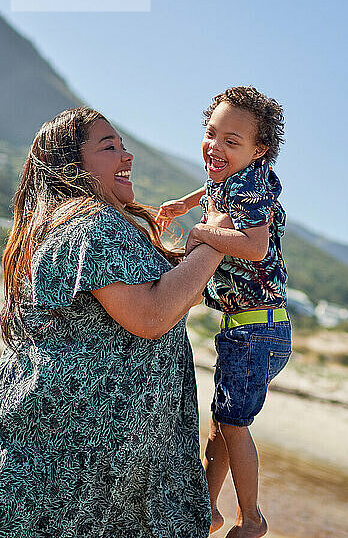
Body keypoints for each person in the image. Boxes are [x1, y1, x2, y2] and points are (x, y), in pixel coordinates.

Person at [0, 106, 227, 538]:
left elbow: (171, 301)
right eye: (110, 147)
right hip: (78, 473)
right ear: (72, 164)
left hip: (73, 467)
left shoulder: (74, 225)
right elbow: (151, 315)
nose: (128, 156)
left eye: (123, 146)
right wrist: (217, 239)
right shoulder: (94, 223)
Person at [156, 86, 291, 538]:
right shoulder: (235, 175)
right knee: (220, 423)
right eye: (211, 134)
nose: (215, 147)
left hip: (258, 331)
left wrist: (201, 233)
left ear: (259, 151)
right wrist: (186, 203)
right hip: (250, 327)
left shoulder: (250, 183)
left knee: (233, 425)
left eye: (231, 142)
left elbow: (253, 247)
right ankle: (206, 508)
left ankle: (250, 519)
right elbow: (215, 190)